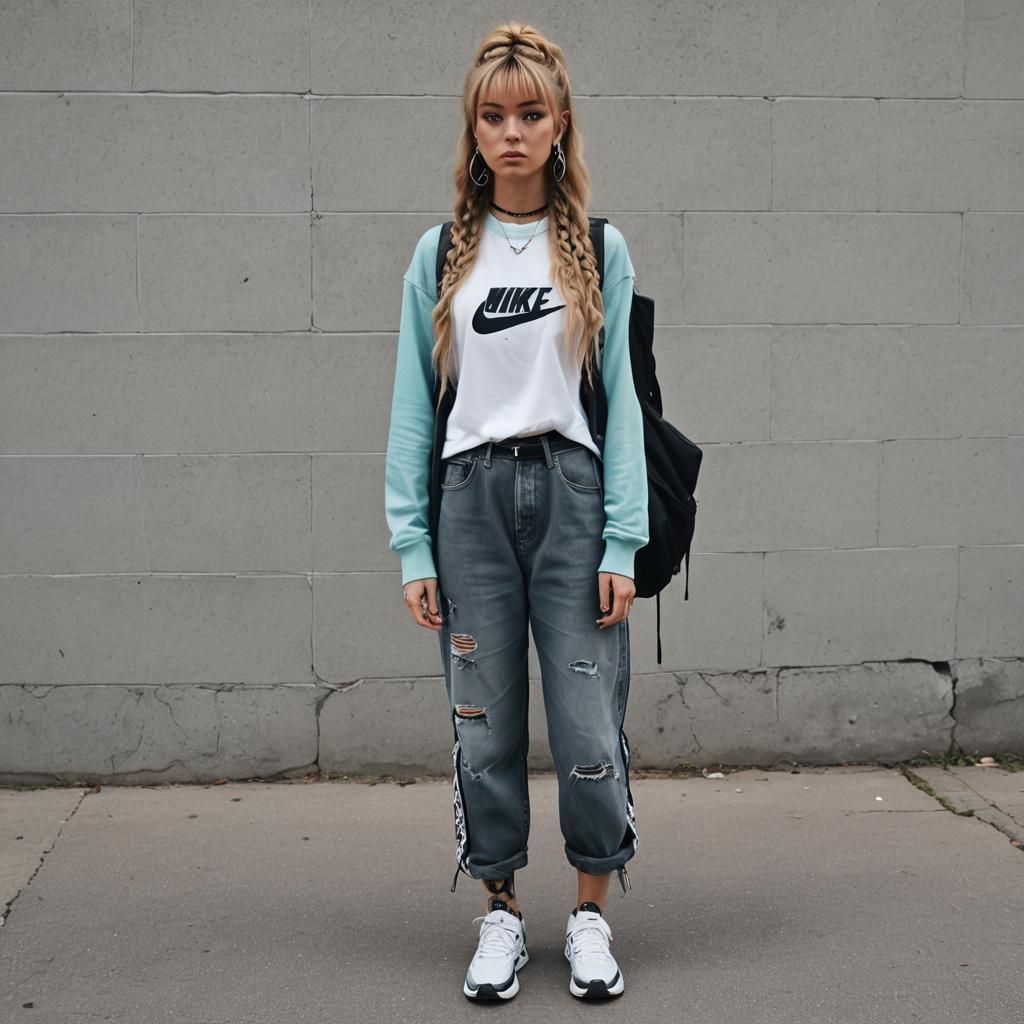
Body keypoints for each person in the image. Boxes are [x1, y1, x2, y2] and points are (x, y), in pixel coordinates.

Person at [383, 20, 648, 1002]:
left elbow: (623, 403)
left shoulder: (598, 250)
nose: (511, 132)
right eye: (492, 116)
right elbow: (414, 402)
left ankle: (588, 915)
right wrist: (413, 543)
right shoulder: (439, 255)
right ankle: (498, 912)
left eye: (529, 113)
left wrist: (623, 538)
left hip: (573, 500)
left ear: (559, 124)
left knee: (586, 724)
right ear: (472, 130)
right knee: (482, 726)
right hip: (468, 506)